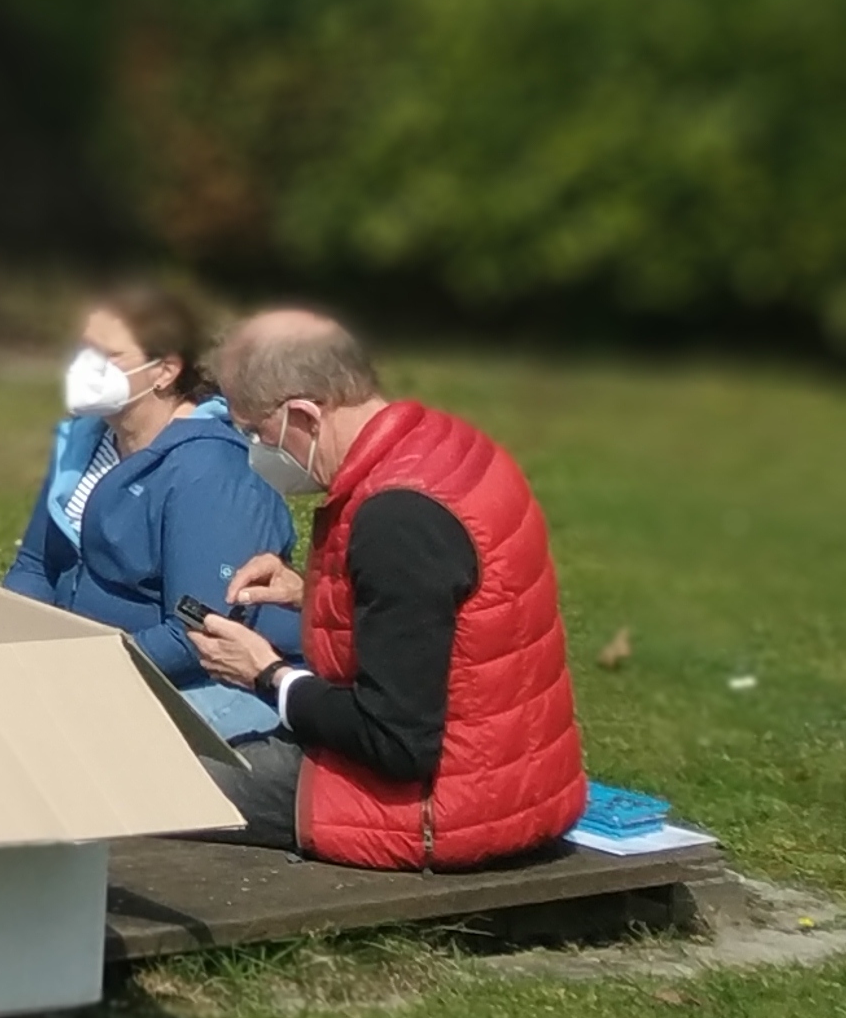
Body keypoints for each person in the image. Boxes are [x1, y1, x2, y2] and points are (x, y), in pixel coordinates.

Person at [184, 311, 586, 868]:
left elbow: (396, 743)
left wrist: (268, 676)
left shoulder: (396, 519)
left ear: (303, 414)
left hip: (434, 811)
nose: (254, 449)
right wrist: (312, 594)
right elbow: (446, 612)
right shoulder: (444, 447)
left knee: (145, 789)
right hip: (508, 782)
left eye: (255, 432)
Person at [0, 286, 299, 744]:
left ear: (164, 370)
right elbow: (37, 565)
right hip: (92, 669)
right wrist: (9, 641)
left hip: (201, 688)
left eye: (108, 355)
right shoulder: (85, 443)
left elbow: (196, 629)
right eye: (84, 348)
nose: (84, 366)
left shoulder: (209, 472)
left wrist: (79, 678)